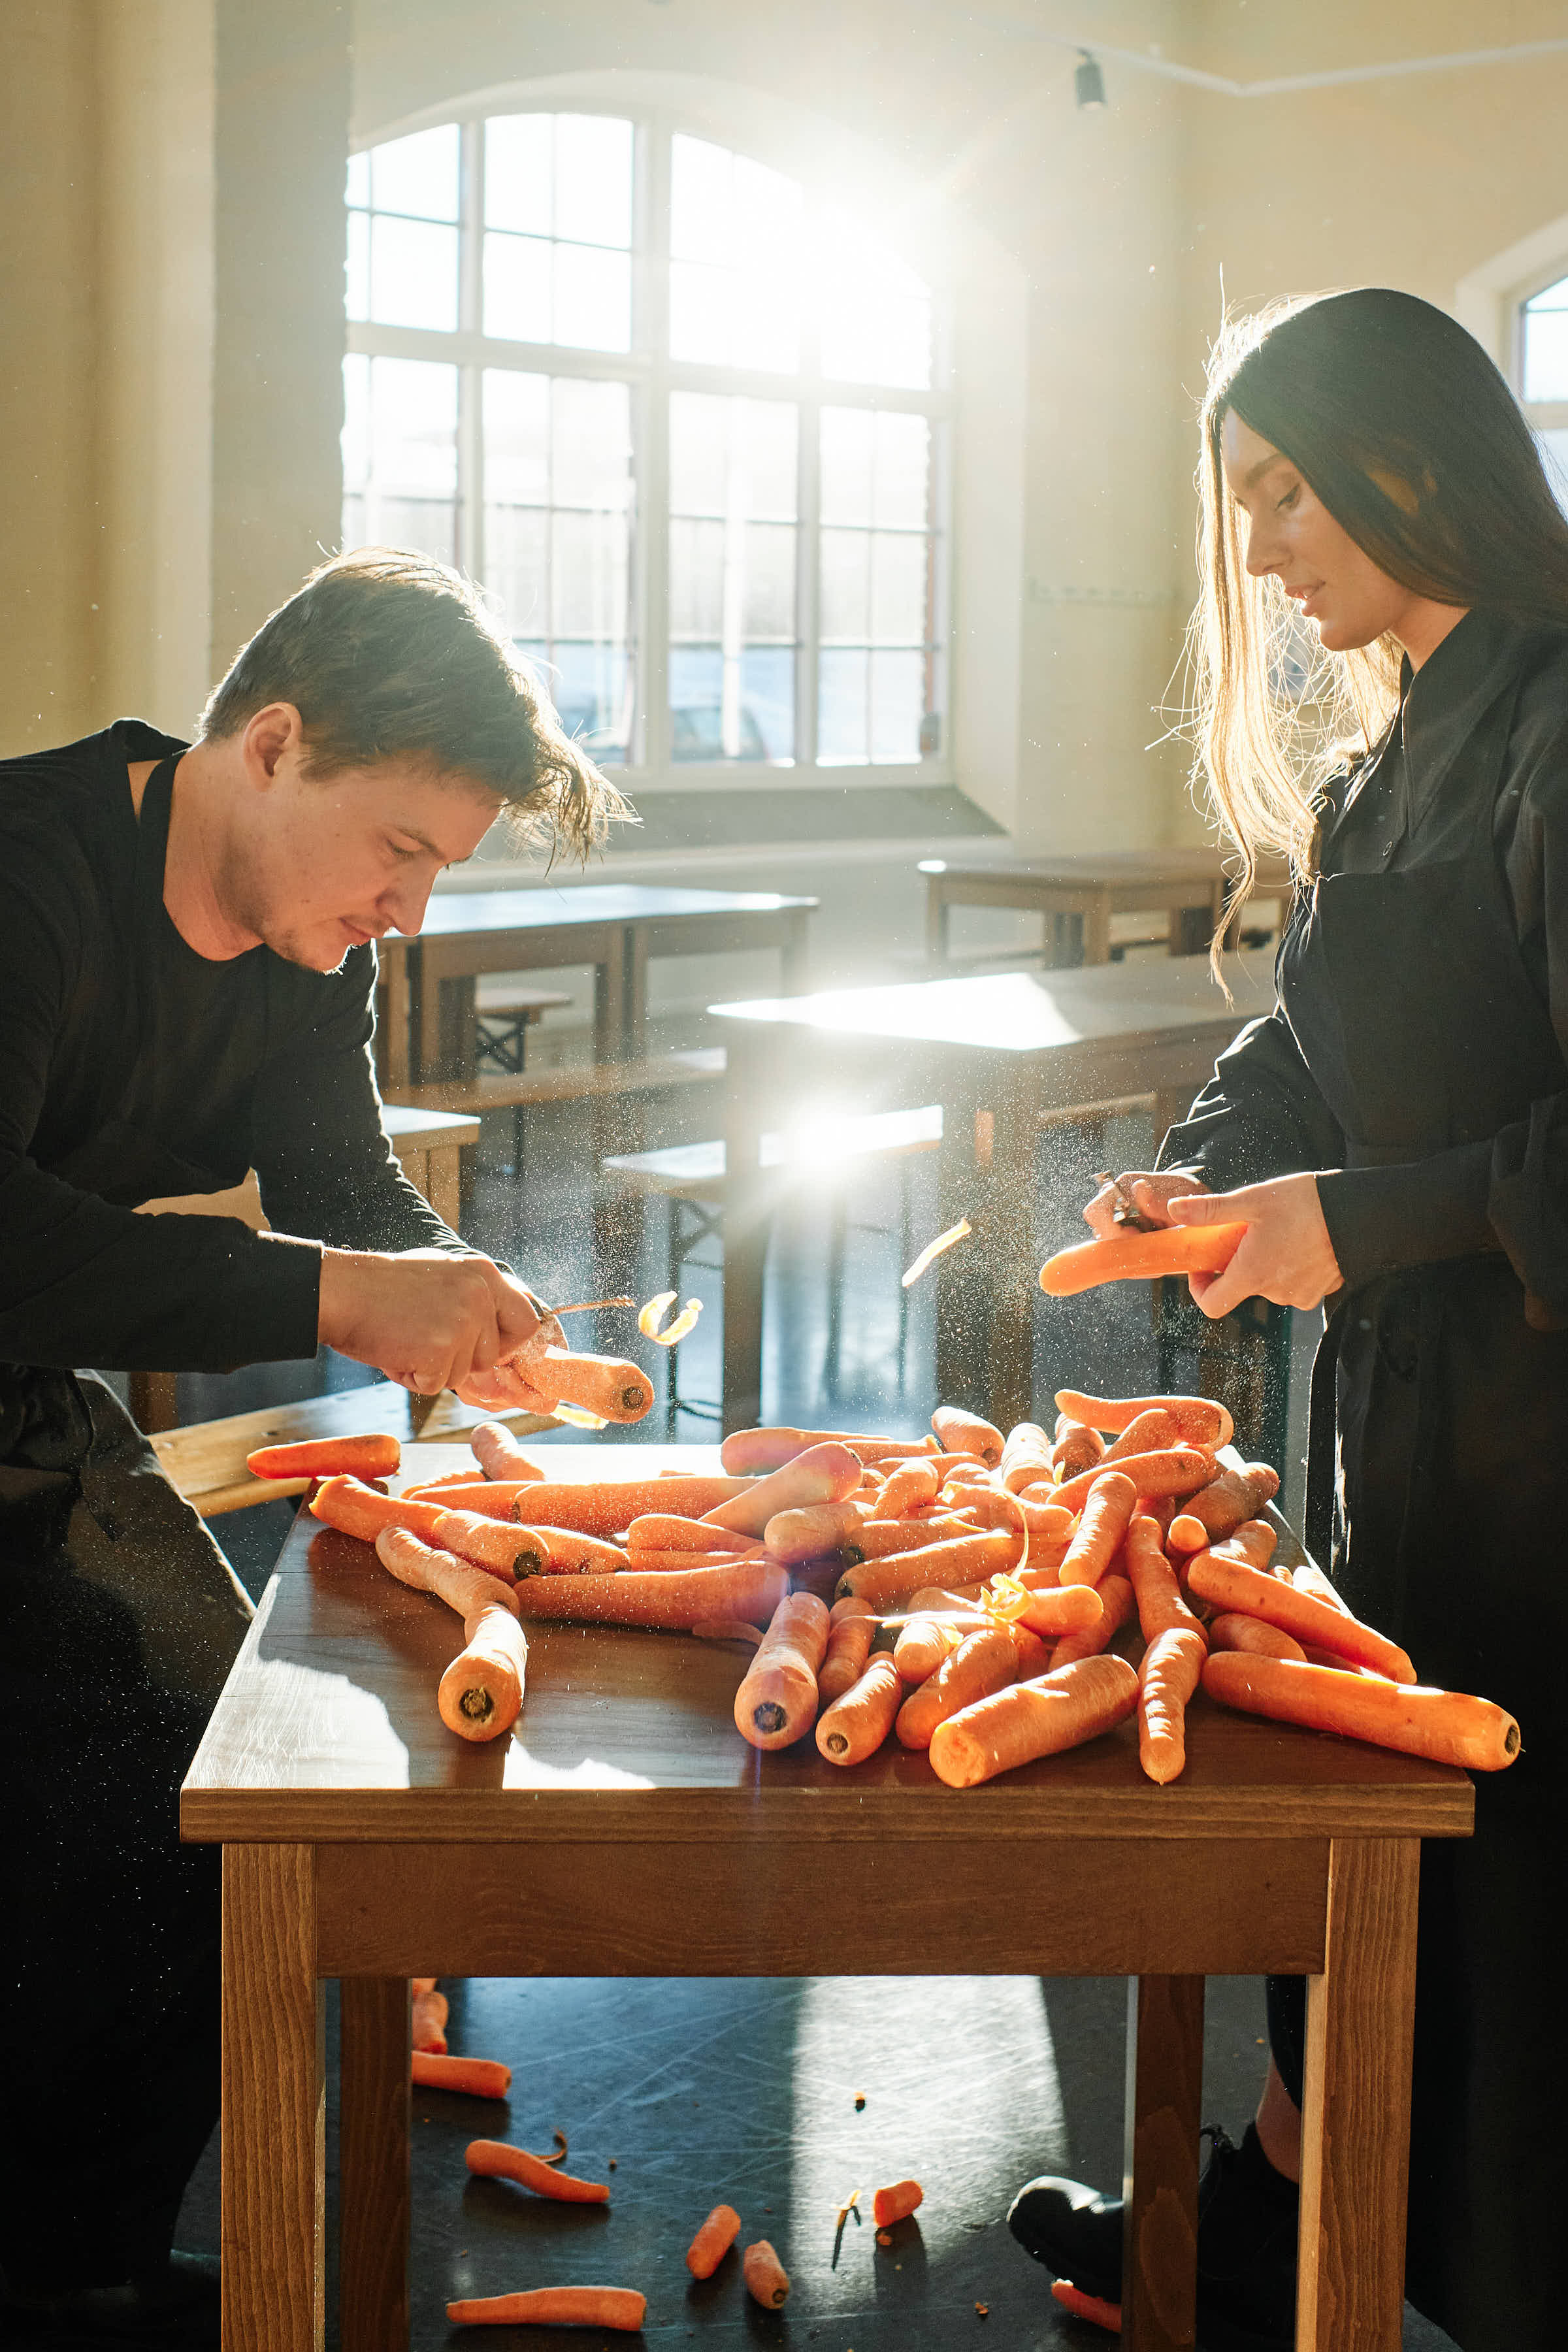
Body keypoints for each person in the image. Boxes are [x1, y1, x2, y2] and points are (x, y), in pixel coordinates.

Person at [1007, 287, 1568, 2352]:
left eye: (1280, 491)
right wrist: (1206, 1165)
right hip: (1408, 1420)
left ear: (1409, 454)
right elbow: (1321, 1054)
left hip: (1545, 1441)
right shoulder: (1397, 748)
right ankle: (1269, 2206)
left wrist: (1357, 1222)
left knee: (1514, 1890)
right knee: (1370, 1852)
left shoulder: (1567, 718)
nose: (1255, 550)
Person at [0, 547, 623, 2344]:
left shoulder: (303, 942)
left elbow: (337, 1187)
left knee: (227, 1777)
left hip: (21, 1384)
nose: (411, 911)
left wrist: (453, 1297)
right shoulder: (34, 874)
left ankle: (82, 2263)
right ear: (271, 746)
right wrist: (343, 1300)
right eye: (404, 854)